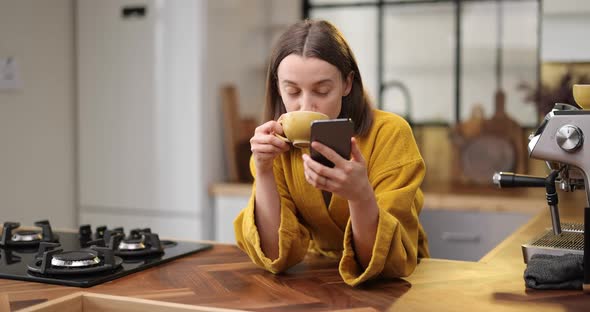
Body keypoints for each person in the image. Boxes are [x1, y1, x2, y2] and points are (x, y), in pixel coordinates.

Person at [233, 19, 429, 287]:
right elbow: (276, 254)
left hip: (394, 284)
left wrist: (360, 197)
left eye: (322, 90)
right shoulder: (276, 142)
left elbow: (388, 261)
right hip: (314, 280)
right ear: (278, 87)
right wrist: (264, 171)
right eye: (292, 91)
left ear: (347, 83)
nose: (305, 105)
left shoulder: (390, 134)